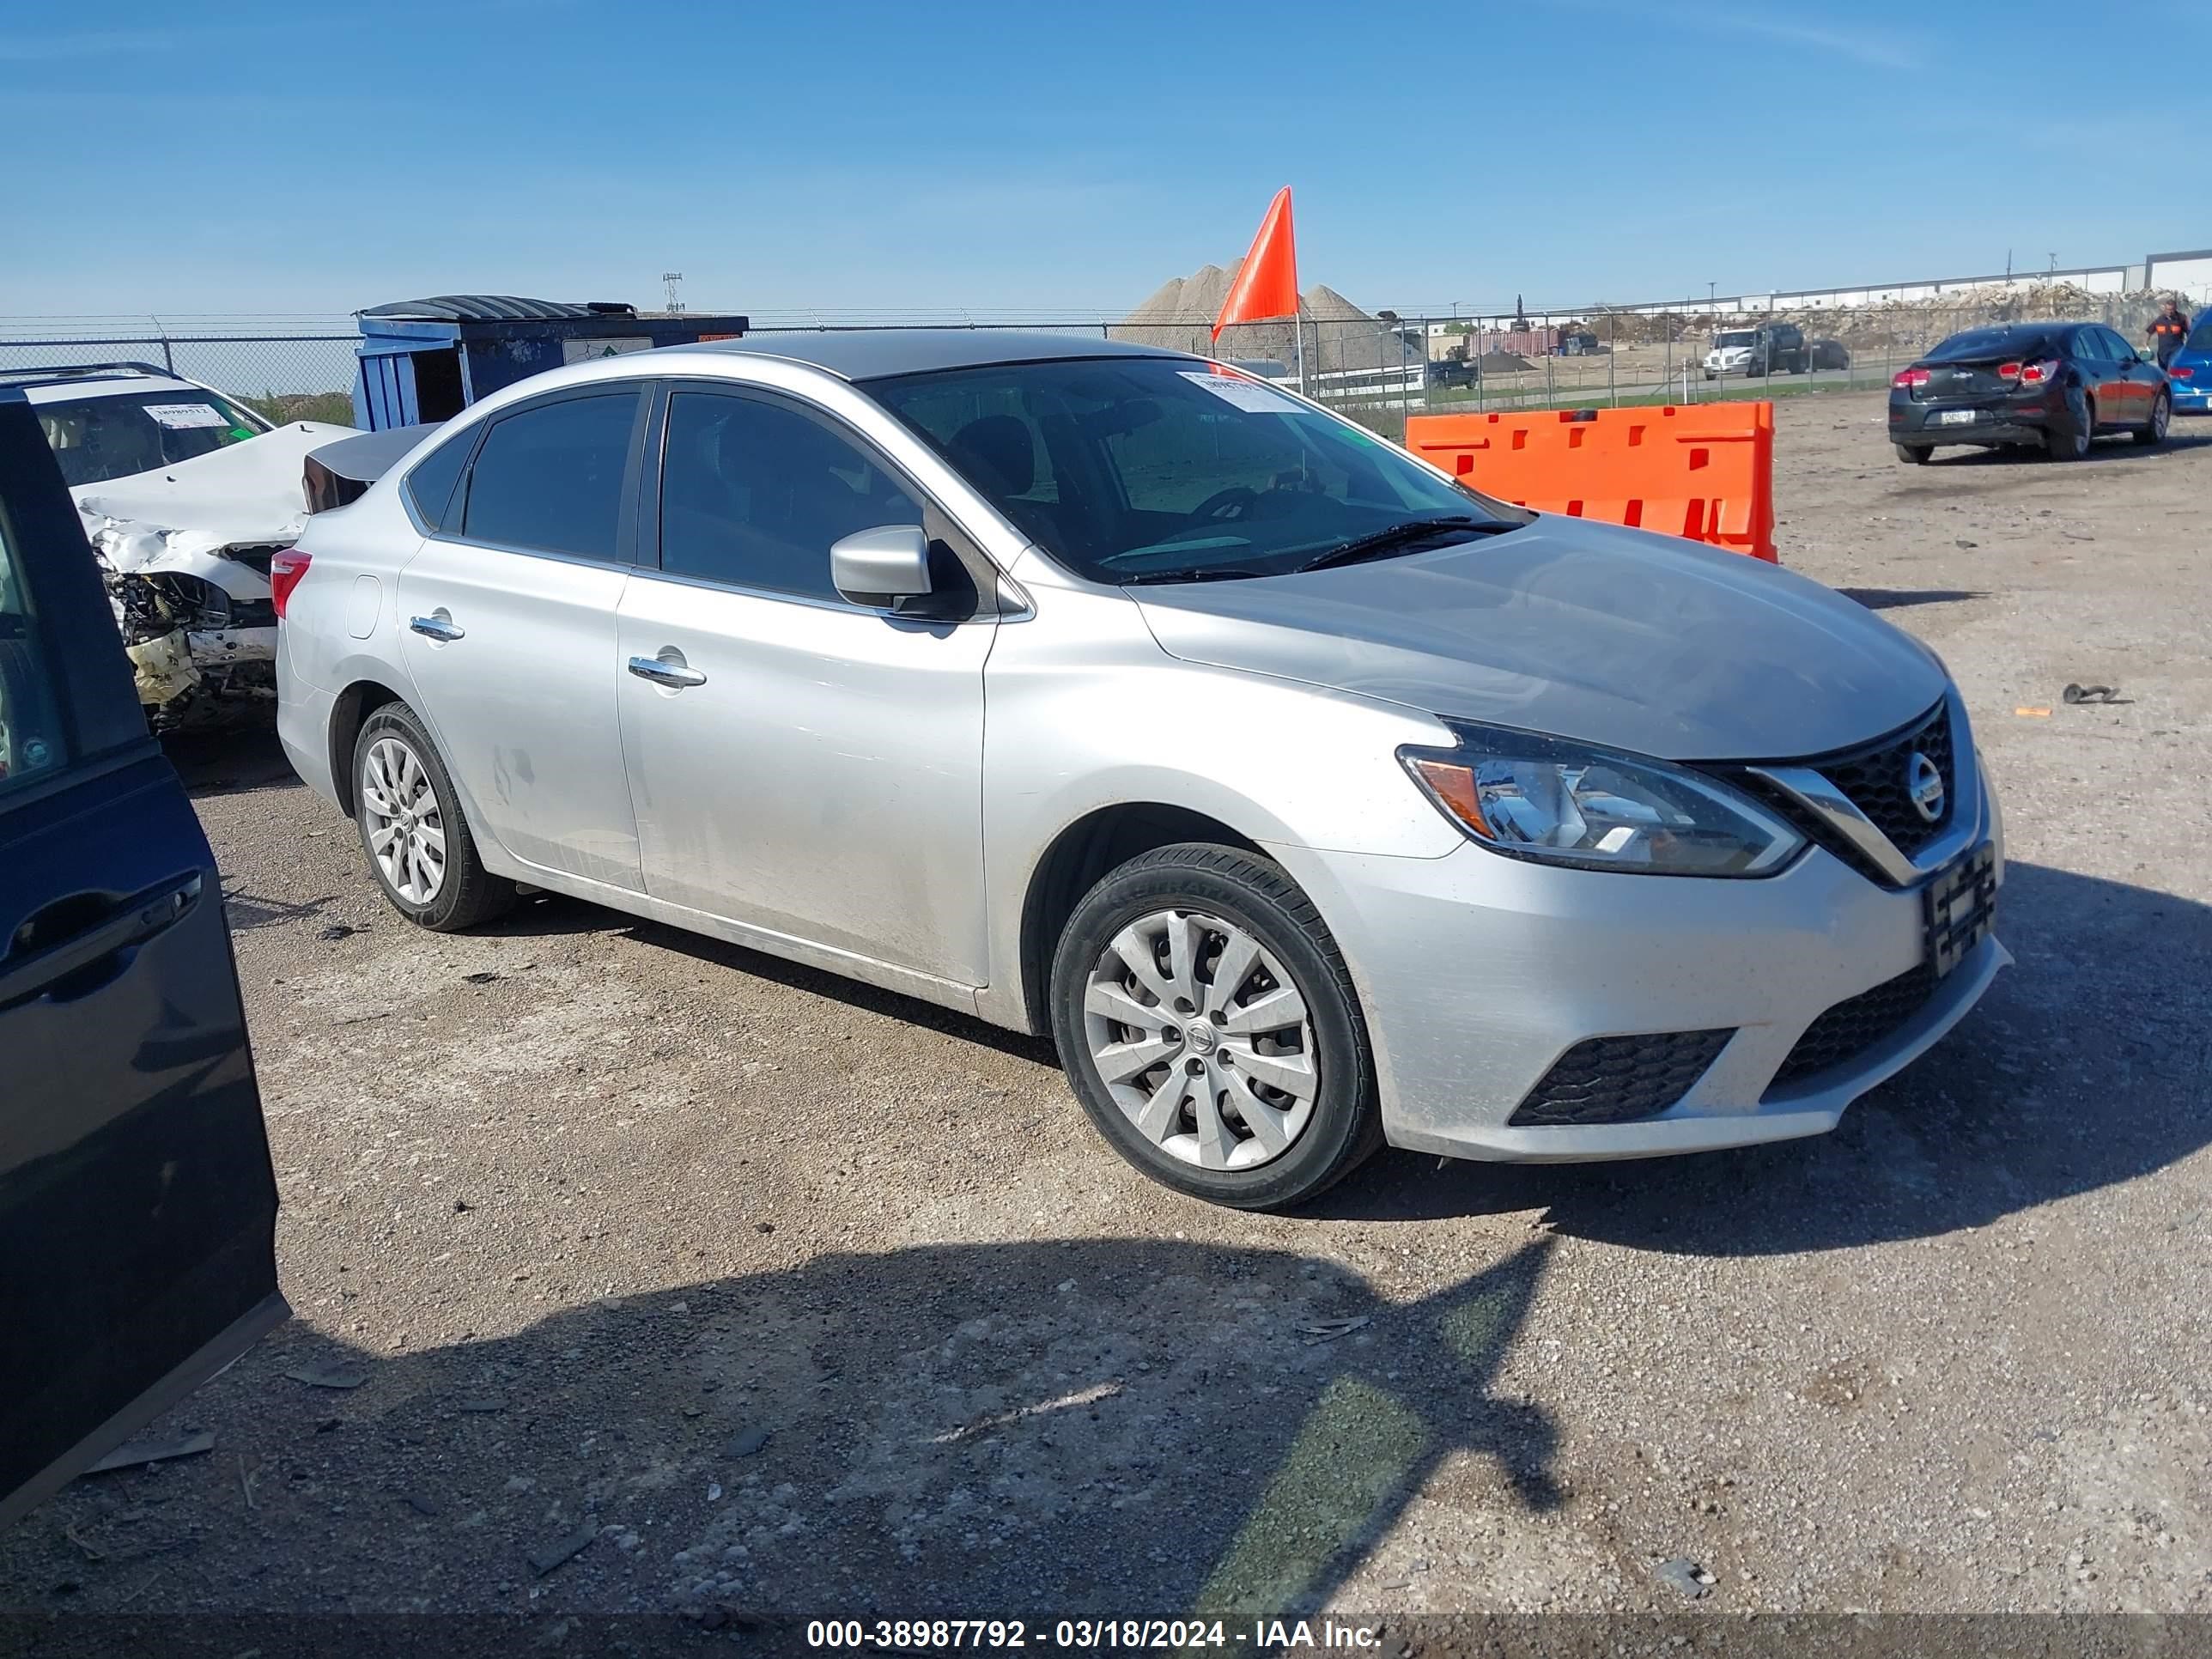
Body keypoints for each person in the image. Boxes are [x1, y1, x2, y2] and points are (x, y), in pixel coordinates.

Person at [2147, 296, 2192, 368]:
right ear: (2165, 309)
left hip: (2176, 350)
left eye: (2172, 310)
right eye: (2168, 310)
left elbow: (2189, 333)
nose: (2170, 312)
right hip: (2163, 352)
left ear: (2175, 309)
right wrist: (2145, 343)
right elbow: (2149, 331)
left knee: (2173, 369)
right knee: (2163, 372)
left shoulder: (2181, 319)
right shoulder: (2160, 320)